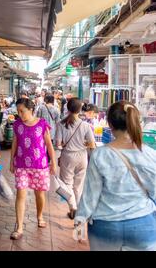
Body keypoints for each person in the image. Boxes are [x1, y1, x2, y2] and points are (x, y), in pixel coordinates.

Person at [75, 101, 156, 251]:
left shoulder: (100, 155)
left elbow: (90, 196)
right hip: (143, 226)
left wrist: (79, 226)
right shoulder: (151, 155)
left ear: (110, 125)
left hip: (105, 227)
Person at [9, 98, 57, 240]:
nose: (20, 114)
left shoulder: (42, 124)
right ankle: (19, 227)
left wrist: (53, 162)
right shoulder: (17, 124)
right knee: (20, 195)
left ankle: (40, 215)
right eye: (18, 111)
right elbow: (15, 143)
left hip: (40, 166)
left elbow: (49, 145)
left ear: (30, 110)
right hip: (21, 165)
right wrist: (11, 160)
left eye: (22, 111)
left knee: (39, 195)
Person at [55, 98, 96, 219]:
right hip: (82, 157)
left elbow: (58, 144)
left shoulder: (61, 124)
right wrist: (83, 143)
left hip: (68, 156)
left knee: (67, 184)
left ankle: (73, 207)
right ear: (80, 109)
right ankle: (78, 210)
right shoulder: (85, 125)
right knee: (78, 185)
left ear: (67, 109)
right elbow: (92, 144)